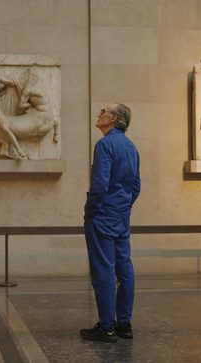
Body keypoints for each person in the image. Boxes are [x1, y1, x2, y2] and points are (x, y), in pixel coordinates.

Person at [80, 103, 141, 343]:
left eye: (103, 111)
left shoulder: (104, 144)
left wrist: (91, 209)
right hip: (121, 215)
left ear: (113, 118)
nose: (99, 114)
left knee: (103, 269)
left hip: (102, 215)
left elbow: (100, 185)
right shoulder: (131, 146)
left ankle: (107, 326)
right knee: (124, 267)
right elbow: (136, 186)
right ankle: (124, 324)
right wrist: (123, 206)